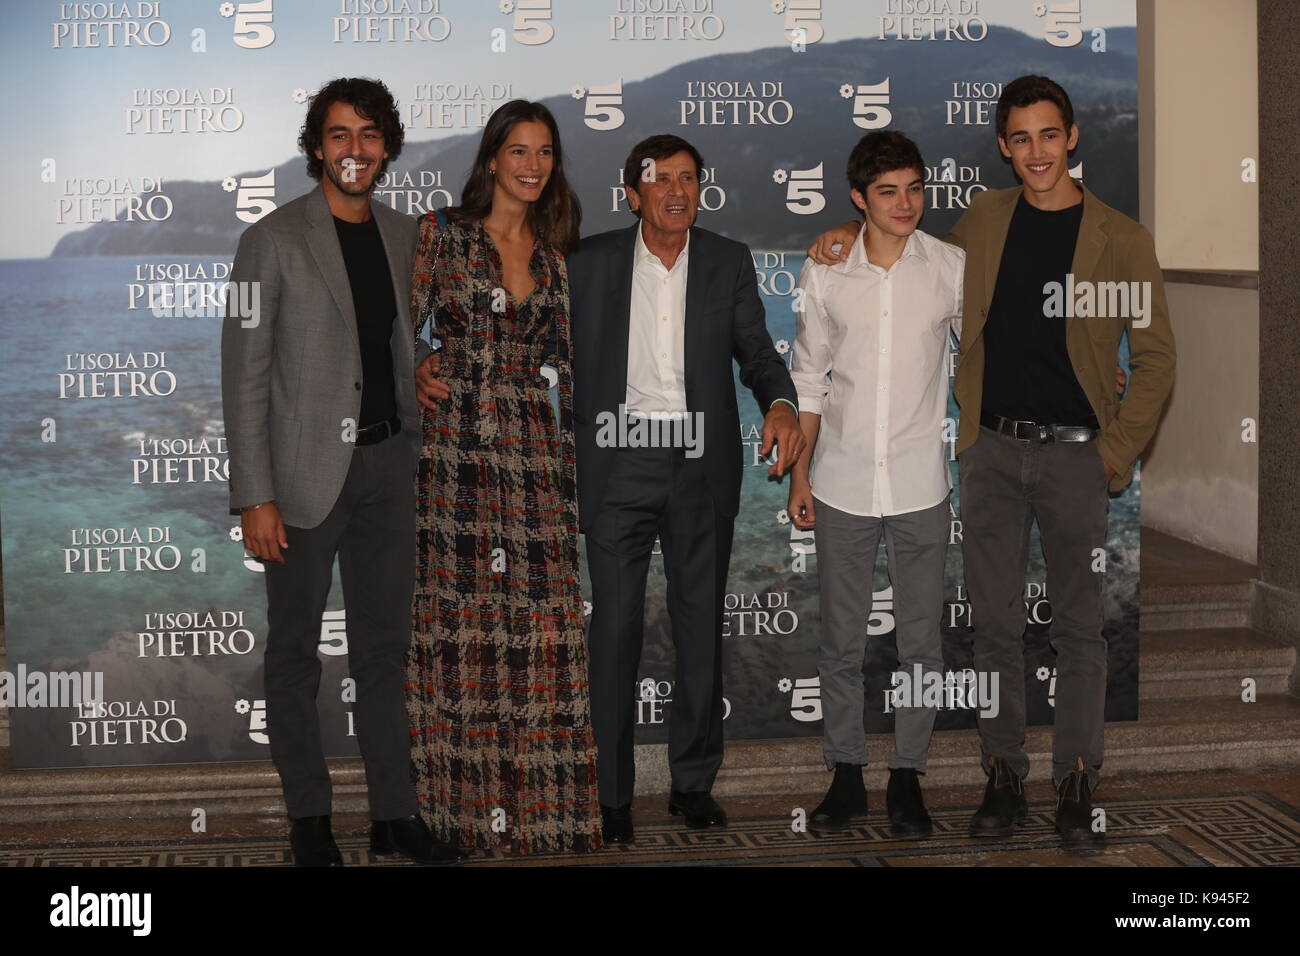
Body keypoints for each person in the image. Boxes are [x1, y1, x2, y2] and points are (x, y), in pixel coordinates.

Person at [807, 75, 1175, 843]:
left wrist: (1114, 454)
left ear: (1072, 138)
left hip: (1078, 457)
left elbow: (1155, 358)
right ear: (1005, 147)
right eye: (1021, 138)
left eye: (1050, 135)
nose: (1037, 151)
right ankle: (1003, 776)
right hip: (992, 455)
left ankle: (1077, 781)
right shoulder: (983, 222)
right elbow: (898, 249)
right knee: (995, 628)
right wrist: (841, 234)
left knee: (1079, 630)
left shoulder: (1123, 239)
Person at [221, 76, 463, 866]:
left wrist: (421, 369)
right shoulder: (270, 240)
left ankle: (395, 816)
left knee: (385, 651)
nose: (353, 149)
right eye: (338, 134)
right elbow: (243, 375)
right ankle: (310, 819)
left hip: (390, 468)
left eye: (367, 135)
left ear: (386, 148)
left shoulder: (404, 235)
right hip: (300, 480)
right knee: (294, 652)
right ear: (316, 146)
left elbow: (392, 342)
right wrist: (254, 494)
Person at [566, 134, 805, 843]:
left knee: (699, 625)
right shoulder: (589, 262)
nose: (676, 191)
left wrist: (781, 403)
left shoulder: (728, 261)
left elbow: (757, 352)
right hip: (618, 460)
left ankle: (692, 784)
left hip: (701, 465)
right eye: (660, 179)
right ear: (632, 194)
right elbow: (535, 341)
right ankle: (611, 795)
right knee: (614, 628)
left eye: (688, 179)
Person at [406, 100, 602, 854]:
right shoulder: (442, 234)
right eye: (518, 150)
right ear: (492, 158)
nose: (532, 164)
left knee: (541, 629)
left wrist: (582, 473)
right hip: (454, 452)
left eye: (544, 151)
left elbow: (572, 367)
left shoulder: (556, 254)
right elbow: (395, 329)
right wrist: (416, 365)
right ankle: (459, 814)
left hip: (534, 453)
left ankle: (545, 817)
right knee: (462, 629)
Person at [789, 131, 964, 837]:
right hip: (841, 481)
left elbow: (992, 351)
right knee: (840, 641)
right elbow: (808, 379)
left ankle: (908, 776)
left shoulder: (951, 267)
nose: (905, 203)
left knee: (922, 643)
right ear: (859, 199)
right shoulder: (826, 270)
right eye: (887, 192)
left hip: (922, 483)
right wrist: (800, 475)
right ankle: (845, 773)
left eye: (915, 188)